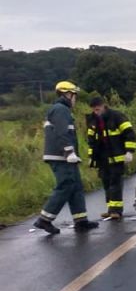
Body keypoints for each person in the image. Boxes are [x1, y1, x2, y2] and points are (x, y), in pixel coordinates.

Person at [33, 81, 99, 235]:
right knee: (66, 185)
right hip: (60, 156)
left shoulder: (63, 110)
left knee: (75, 186)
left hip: (63, 156)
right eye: (74, 95)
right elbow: (62, 133)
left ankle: (81, 220)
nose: (75, 99)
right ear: (67, 94)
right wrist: (69, 152)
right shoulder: (60, 110)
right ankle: (44, 219)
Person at [86, 96, 136, 220]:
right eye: (94, 110)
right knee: (106, 183)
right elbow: (91, 141)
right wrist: (91, 157)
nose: (96, 112)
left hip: (116, 156)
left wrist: (129, 152)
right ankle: (110, 209)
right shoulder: (92, 120)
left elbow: (129, 134)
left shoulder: (117, 117)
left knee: (115, 183)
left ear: (104, 106)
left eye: (98, 109)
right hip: (101, 158)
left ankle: (117, 211)